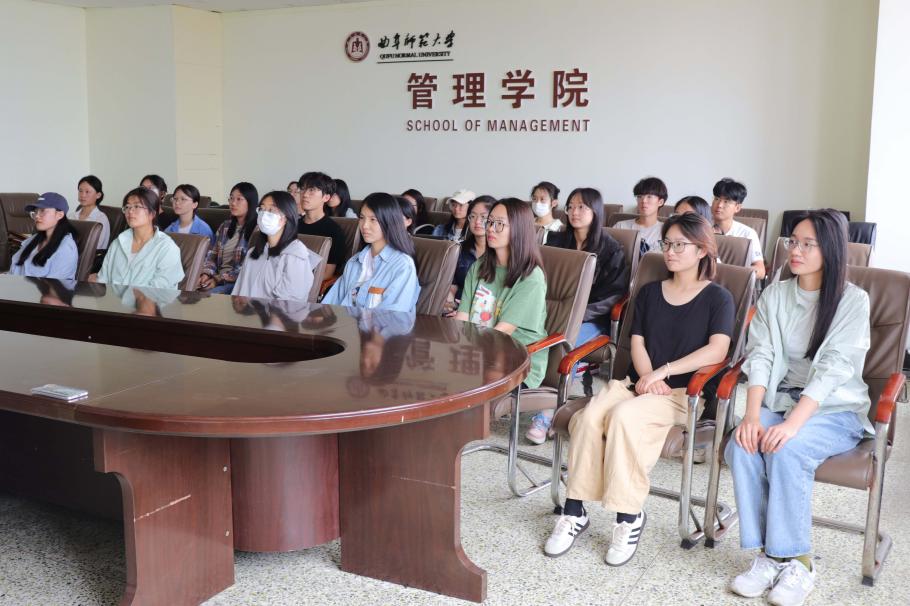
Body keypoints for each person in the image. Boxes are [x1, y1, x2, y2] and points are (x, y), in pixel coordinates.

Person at [544, 212, 734, 567]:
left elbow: (717, 350)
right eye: (667, 243)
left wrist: (663, 374)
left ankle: (628, 516)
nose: (670, 251)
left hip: (681, 395)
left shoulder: (717, 298)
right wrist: (647, 378)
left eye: (679, 245)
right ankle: (574, 511)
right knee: (589, 417)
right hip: (636, 384)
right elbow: (637, 342)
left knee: (624, 417)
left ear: (702, 250)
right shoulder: (650, 292)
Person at [725, 209, 869, 606]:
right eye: (793, 241)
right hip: (781, 400)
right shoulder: (776, 294)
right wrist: (751, 417)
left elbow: (834, 369)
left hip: (833, 410)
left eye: (808, 244)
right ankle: (770, 556)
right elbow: (761, 355)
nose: (796, 250)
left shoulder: (853, 301)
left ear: (831, 250)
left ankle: (800, 562)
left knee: (787, 449)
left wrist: (791, 426)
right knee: (742, 444)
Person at [527, 188, 626, 444]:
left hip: (591, 320)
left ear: (596, 211)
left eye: (582, 207)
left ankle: (547, 413)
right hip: (551, 314)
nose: (574, 212)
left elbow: (613, 297)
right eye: (571, 206)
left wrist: (575, 316)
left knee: (564, 345)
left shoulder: (611, 249)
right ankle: (527, 396)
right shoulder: (555, 241)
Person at [455, 198, 548, 388]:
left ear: (518, 230)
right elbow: (462, 318)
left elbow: (502, 333)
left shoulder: (531, 277)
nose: (490, 228)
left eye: (499, 224)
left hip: (516, 362)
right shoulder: (479, 266)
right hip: (479, 355)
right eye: (490, 222)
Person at [322, 192, 420, 313]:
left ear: (389, 222)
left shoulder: (402, 265)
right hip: (344, 322)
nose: (365, 226)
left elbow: (393, 315)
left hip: (379, 325)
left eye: (373, 219)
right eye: (362, 218)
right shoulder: (354, 261)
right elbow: (331, 303)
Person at [233, 191, 320, 301]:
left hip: (275, 311)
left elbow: (289, 302)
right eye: (262, 209)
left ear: (286, 216)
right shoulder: (253, 253)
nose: (264, 214)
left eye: (271, 210)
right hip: (245, 311)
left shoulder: (295, 255)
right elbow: (238, 292)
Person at [90, 187, 184, 289]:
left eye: (137, 206)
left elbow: (160, 290)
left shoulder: (167, 248)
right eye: (127, 207)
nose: (130, 211)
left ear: (152, 213)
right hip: (112, 299)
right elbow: (103, 280)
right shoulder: (118, 243)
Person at [199, 182, 258, 294]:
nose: (233, 203)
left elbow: (248, 268)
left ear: (251, 202)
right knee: (189, 290)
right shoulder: (225, 226)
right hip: (216, 278)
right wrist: (206, 274)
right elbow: (212, 255)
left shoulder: (257, 230)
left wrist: (218, 279)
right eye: (231, 198)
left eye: (239, 199)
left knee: (208, 296)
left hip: (237, 282)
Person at [9, 192, 78, 281]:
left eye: (42, 211)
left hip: (36, 290)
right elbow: (14, 268)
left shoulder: (66, 248)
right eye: (35, 211)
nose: (37, 216)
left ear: (59, 215)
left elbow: (55, 286)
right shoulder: (33, 239)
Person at [445, 195, 495, 314]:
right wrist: (450, 303)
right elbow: (452, 284)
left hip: (487, 313)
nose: (477, 222)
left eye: (483, 217)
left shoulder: (501, 253)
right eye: (472, 216)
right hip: (457, 308)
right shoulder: (458, 249)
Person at [711, 178, 765, 279]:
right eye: (716, 199)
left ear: (737, 207)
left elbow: (761, 271)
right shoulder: (702, 228)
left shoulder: (748, 234)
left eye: (726, 201)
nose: (719, 205)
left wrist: (733, 272)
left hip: (735, 282)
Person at [297, 171, 346, 278]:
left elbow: (327, 273)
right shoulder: (292, 226)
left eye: (312, 190)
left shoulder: (334, 231)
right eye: (303, 189)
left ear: (326, 197)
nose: (305, 195)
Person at [614, 177, 668, 256]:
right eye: (639, 196)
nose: (643, 201)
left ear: (660, 202)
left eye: (649, 196)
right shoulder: (621, 226)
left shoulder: (666, 230)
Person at [68, 175, 110, 250]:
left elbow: (96, 246)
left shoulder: (101, 219)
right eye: (80, 191)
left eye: (87, 192)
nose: (83, 195)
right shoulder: (71, 216)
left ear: (98, 195)